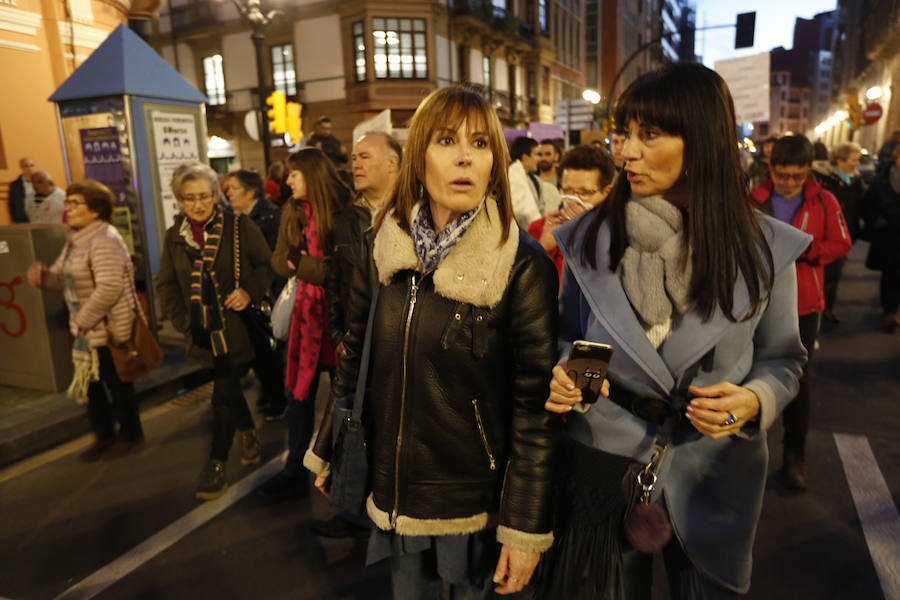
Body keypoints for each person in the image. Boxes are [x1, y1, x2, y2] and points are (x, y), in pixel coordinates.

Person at [544, 62, 810, 598]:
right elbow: (574, 335)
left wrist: (753, 401)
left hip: (713, 468)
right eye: (624, 132)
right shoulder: (588, 238)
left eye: (650, 134)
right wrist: (571, 380)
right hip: (603, 460)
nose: (626, 152)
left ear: (703, 141)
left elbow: (784, 358)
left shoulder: (765, 250)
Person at [304, 85, 560, 597]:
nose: (465, 156)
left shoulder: (520, 261)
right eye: (447, 140)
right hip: (394, 488)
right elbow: (355, 352)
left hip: (475, 504)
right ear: (419, 156)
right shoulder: (384, 242)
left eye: (481, 144)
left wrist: (525, 529)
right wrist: (330, 447)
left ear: (495, 162)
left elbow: (536, 407)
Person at [156, 162, 273, 500]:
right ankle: (249, 431)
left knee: (222, 393)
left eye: (205, 196)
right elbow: (166, 285)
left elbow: (265, 265)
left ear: (215, 195)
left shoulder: (238, 226)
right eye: (189, 198)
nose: (198, 204)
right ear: (179, 200)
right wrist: (184, 324)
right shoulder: (175, 237)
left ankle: (216, 464)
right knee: (227, 385)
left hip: (236, 330)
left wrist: (249, 291)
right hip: (202, 333)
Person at [313, 130, 402, 539]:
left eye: (365, 156)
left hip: (397, 349)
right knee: (352, 427)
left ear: (393, 164)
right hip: (355, 344)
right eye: (353, 157)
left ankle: (385, 516)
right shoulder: (347, 221)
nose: (356, 164)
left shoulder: (414, 215)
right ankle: (352, 510)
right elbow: (335, 283)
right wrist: (337, 333)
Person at [751, 135, 851, 491]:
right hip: (755, 304)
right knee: (745, 378)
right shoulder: (753, 198)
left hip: (804, 306)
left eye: (796, 176)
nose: (789, 182)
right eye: (782, 175)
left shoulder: (824, 200)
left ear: (808, 172)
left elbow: (841, 243)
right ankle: (738, 458)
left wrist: (803, 251)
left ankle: (794, 458)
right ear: (770, 169)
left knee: (797, 383)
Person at [26, 180, 145, 461]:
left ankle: (130, 434)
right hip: (86, 329)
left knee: (117, 382)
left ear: (96, 210)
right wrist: (45, 277)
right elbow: (62, 278)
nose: (68, 208)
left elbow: (109, 288)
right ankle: (104, 436)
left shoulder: (105, 239)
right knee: (91, 385)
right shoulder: (75, 240)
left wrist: (82, 318)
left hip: (109, 327)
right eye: (68, 202)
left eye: (75, 203)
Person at [258, 147, 349, 500]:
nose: (288, 181)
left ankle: (341, 473)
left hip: (337, 317)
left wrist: (304, 263)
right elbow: (279, 261)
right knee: (298, 398)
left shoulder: (341, 211)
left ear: (312, 174)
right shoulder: (292, 212)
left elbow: (337, 271)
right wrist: (308, 263)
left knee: (342, 401)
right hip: (304, 320)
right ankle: (295, 466)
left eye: (294, 175)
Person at [222, 169, 286, 416]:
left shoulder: (270, 216)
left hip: (266, 294)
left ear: (251, 192)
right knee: (258, 350)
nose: (228, 193)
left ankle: (278, 397)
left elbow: (272, 260)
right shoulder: (232, 218)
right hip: (246, 296)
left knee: (269, 351)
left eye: (234, 188)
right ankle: (270, 392)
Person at [527, 144, 616, 277]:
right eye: (567, 191)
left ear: (606, 192)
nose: (573, 199)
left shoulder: (616, 232)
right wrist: (544, 249)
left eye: (584, 193)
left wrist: (585, 232)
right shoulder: (539, 228)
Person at [813, 141, 865, 323]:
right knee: (819, 275)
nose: (857, 163)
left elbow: (861, 206)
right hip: (823, 236)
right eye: (854, 160)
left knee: (834, 276)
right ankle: (814, 310)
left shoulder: (856, 180)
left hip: (845, 234)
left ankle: (828, 308)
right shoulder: (823, 179)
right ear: (840, 160)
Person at [862, 144, 900, 332]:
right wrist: (875, 219)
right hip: (890, 236)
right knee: (891, 275)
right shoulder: (882, 180)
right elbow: (868, 204)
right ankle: (890, 312)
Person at [8, 157, 36, 223]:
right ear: (21, 167)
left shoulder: (42, 182)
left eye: (32, 165)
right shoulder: (15, 185)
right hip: (23, 220)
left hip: (41, 219)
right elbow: (11, 204)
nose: (30, 168)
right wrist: (15, 220)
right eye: (26, 166)